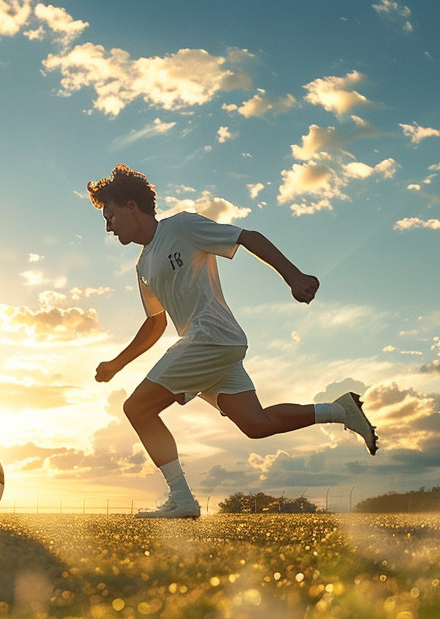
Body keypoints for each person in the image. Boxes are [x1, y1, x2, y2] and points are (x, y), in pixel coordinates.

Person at [88, 164, 377, 519]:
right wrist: (118, 363)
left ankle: (182, 499)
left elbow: (247, 236)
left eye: (111, 215)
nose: (108, 226)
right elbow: (155, 323)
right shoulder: (143, 265)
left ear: (132, 206)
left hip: (211, 339)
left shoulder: (180, 226)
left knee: (137, 408)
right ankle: (340, 410)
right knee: (256, 425)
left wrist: (294, 276)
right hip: (211, 348)